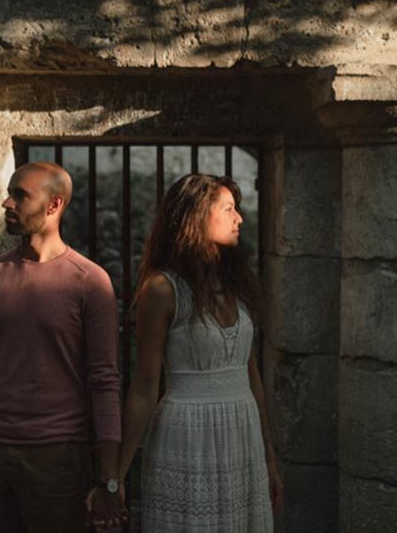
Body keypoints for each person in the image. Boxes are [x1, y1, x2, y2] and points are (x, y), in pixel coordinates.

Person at [0, 161, 127, 533]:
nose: (6, 204)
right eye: (9, 193)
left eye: (19, 195)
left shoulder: (91, 282)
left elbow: (105, 383)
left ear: (53, 205)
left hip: (58, 458)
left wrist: (109, 481)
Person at [114, 174, 283, 532]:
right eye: (229, 209)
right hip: (187, 437)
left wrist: (268, 455)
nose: (239, 218)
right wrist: (115, 479)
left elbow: (250, 375)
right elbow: (144, 388)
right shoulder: (162, 289)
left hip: (243, 434)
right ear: (197, 216)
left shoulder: (235, 285)